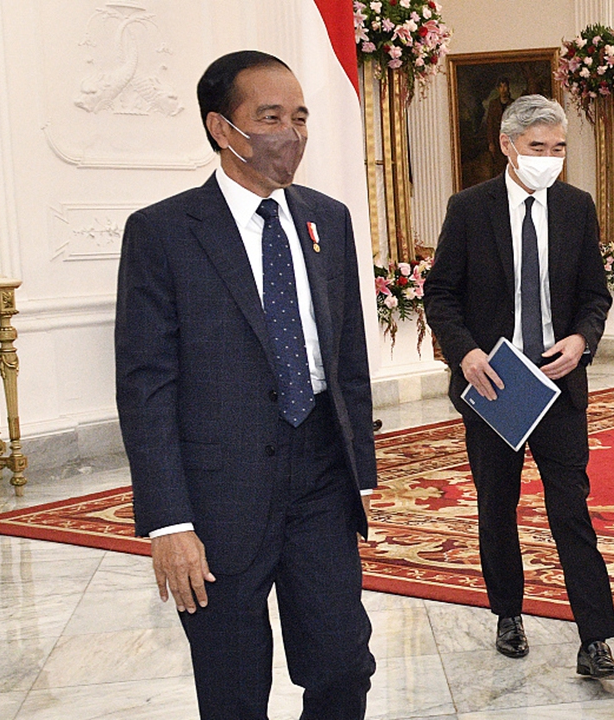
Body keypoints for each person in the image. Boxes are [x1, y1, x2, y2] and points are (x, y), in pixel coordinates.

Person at [114, 50, 377, 719]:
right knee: (233, 690)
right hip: (216, 496)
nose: (290, 134)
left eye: (299, 117)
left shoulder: (328, 219)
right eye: (269, 117)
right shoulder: (163, 233)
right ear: (221, 128)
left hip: (319, 477)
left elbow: (346, 356)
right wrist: (168, 521)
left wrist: (360, 477)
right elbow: (146, 384)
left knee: (344, 664)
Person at [423, 94, 614, 679]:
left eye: (559, 148)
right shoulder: (469, 209)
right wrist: (465, 352)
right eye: (538, 148)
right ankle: (508, 614)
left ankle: (595, 638)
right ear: (509, 146)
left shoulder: (576, 207)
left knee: (572, 508)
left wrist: (583, 340)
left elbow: (595, 295)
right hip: (494, 384)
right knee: (497, 506)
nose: (549, 159)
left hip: (558, 382)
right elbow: (441, 294)